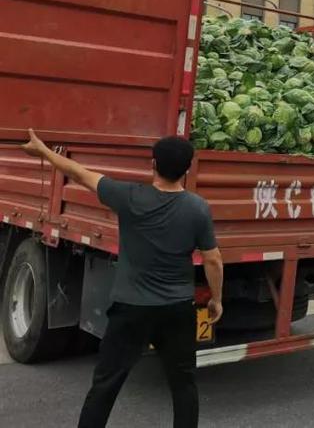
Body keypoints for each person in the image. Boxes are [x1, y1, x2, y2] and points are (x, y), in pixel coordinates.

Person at [21, 130, 223, 428]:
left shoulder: (130, 197)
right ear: (188, 169)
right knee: (183, 385)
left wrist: (43, 151)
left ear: (153, 164)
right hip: (177, 310)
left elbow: (79, 173)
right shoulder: (198, 208)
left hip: (131, 310)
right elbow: (212, 259)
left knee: (106, 384)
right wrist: (216, 299)